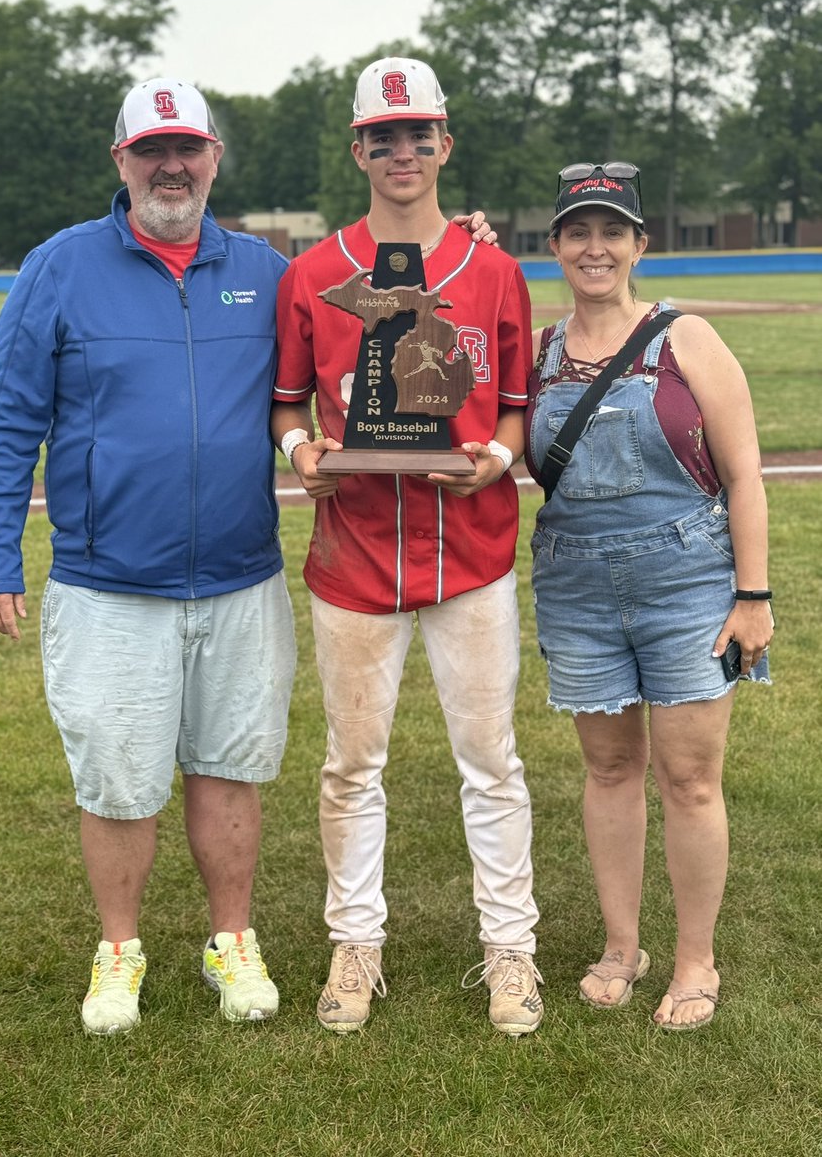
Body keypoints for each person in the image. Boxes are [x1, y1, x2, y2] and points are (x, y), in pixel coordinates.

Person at [0, 78, 299, 1036]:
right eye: (152, 148)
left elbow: (382, 321)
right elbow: (2, 427)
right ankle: (119, 951)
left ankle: (230, 941)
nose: (172, 165)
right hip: (108, 584)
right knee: (117, 778)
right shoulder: (60, 268)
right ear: (121, 161)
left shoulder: (266, 271)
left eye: (188, 147)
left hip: (240, 575)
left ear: (213, 159)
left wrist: (463, 245)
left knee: (231, 767)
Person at [271, 57, 542, 1036]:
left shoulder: (496, 270)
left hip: (470, 550)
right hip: (354, 553)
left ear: (444, 145)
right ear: (358, 148)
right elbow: (287, 400)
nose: (402, 150)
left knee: (491, 760)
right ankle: (357, 943)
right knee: (352, 763)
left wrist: (494, 464)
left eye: (418, 133)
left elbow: (515, 412)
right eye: (383, 135)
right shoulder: (314, 272)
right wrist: (302, 449)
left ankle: (511, 947)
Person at [524, 161, 773, 1030]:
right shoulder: (540, 355)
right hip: (577, 586)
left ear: (639, 244)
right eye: (579, 232)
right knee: (609, 769)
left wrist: (753, 596)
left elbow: (744, 477)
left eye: (612, 232)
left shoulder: (687, 338)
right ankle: (621, 946)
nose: (596, 248)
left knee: (691, 778)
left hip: (689, 584)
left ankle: (695, 960)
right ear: (556, 245)